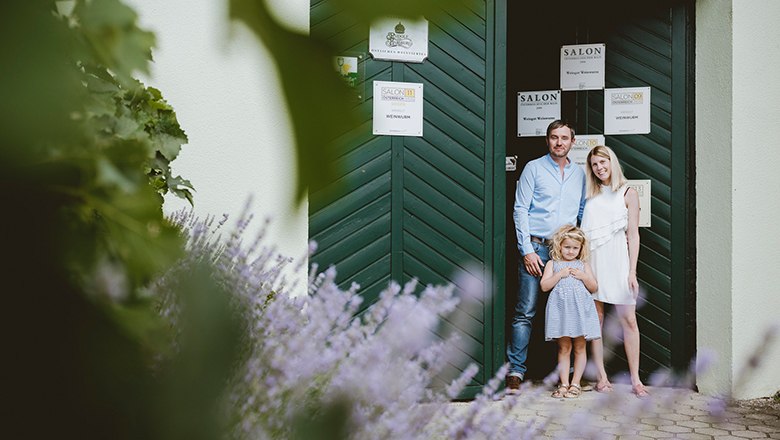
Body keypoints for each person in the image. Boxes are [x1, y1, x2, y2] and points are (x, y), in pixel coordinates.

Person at [507, 120, 586, 394]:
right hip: (538, 249)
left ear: (572, 142)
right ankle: (516, 371)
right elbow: (520, 209)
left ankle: (570, 374)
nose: (559, 142)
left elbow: (581, 212)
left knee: (570, 309)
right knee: (526, 310)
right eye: (554, 137)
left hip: (566, 252)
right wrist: (526, 249)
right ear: (548, 140)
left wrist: (579, 251)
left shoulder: (580, 174)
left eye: (564, 138)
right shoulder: (534, 168)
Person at [581, 145, 649, 398]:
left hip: (619, 261)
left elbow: (633, 234)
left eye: (603, 162)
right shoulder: (590, 194)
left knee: (629, 320)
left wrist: (632, 271)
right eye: (595, 165)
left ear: (612, 162)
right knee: (596, 320)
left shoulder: (628, 193)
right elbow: (584, 235)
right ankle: (601, 377)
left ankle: (636, 379)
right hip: (594, 261)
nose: (599, 168)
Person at [540, 225, 600, 398]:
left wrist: (584, 276)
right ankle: (564, 383)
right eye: (567, 247)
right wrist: (560, 275)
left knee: (580, 347)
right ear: (559, 246)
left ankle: (576, 383)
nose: (571, 251)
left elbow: (594, 287)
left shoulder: (583, 265)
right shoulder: (553, 264)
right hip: (561, 312)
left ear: (581, 248)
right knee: (564, 347)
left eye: (575, 248)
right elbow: (544, 286)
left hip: (581, 312)